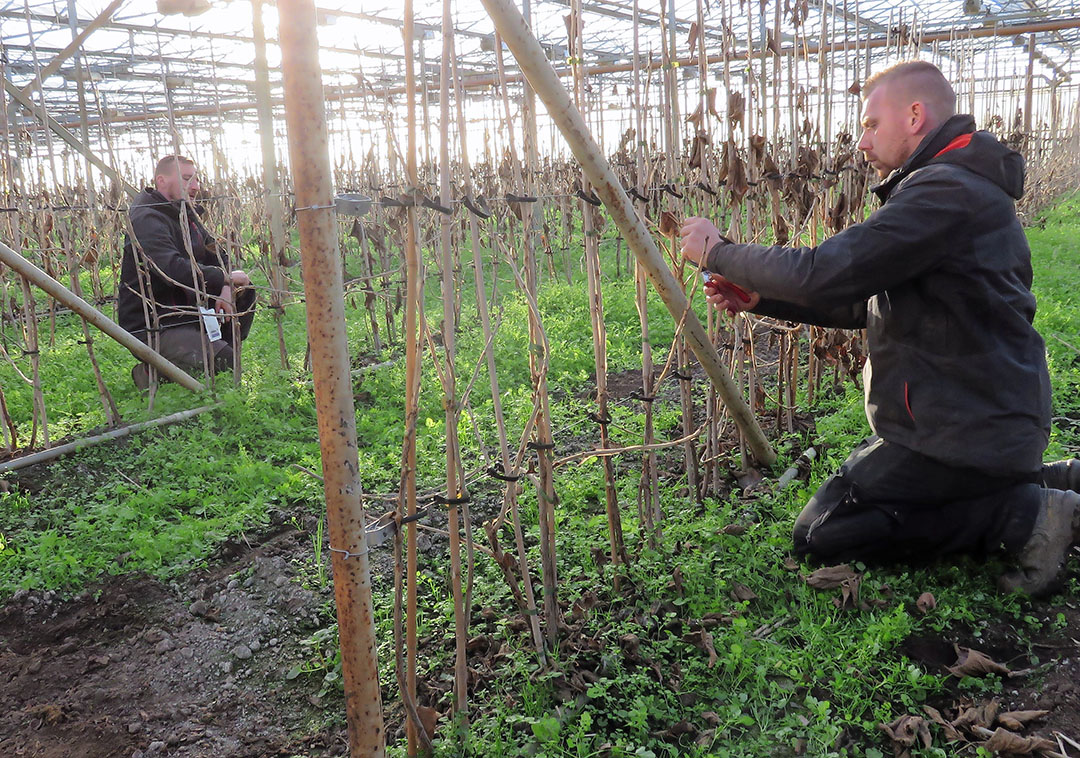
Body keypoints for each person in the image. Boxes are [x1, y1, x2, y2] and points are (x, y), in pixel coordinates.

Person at [680, 60, 1080, 597]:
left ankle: (1028, 515)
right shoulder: (949, 184)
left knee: (822, 535)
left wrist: (719, 252)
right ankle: (1047, 481)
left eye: (871, 124)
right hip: (981, 417)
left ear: (915, 115)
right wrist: (760, 298)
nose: (862, 142)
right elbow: (865, 302)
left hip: (963, 427)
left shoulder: (946, 191)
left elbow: (827, 272)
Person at [119, 155, 255, 388]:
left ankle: (214, 350)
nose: (196, 187)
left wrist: (225, 286)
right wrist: (224, 278)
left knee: (245, 290)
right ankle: (151, 373)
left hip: (190, 312)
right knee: (225, 364)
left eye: (197, 180)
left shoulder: (186, 214)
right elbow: (170, 269)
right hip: (158, 322)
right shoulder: (146, 218)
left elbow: (220, 257)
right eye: (187, 179)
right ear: (161, 181)